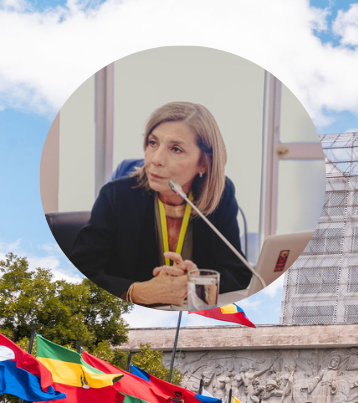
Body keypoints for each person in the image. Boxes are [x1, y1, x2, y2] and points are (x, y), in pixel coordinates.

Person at [69, 102, 251, 306]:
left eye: (176, 149)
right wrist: (133, 291)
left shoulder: (221, 194)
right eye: (153, 143)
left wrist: (196, 280)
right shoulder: (117, 195)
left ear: (204, 163)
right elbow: (80, 273)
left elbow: (239, 273)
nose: (155, 159)